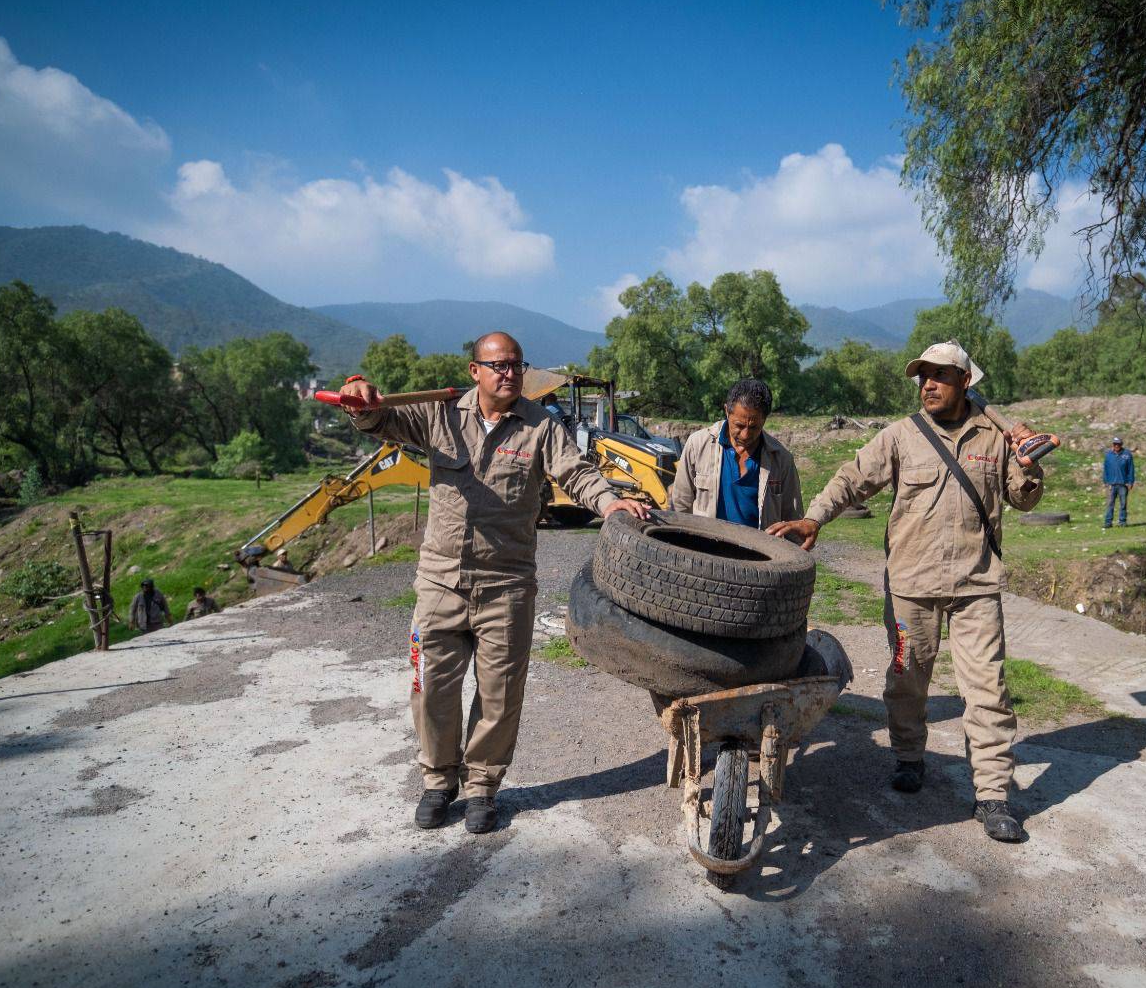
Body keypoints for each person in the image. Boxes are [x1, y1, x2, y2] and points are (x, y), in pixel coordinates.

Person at [340, 332, 650, 835]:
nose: (508, 373)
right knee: (432, 688)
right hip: (440, 582)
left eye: (516, 365)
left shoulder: (540, 427)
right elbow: (382, 421)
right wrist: (361, 403)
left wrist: (610, 502)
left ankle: (482, 785)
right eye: (498, 365)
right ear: (475, 371)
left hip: (505, 585)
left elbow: (576, 472)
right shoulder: (440, 414)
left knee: (500, 692)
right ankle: (438, 781)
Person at [768, 341, 1046, 843]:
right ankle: (909, 757)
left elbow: (1023, 499)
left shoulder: (995, 435)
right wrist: (815, 517)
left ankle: (993, 795)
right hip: (910, 586)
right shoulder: (900, 436)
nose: (928, 385)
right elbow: (852, 479)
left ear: (965, 381)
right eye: (923, 376)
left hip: (975, 585)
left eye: (939, 375)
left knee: (988, 690)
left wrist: (1029, 463)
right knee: (907, 681)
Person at [668, 378, 804, 528]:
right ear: (727, 411)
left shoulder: (781, 459)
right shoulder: (698, 445)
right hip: (705, 548)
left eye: (753, 427)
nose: (745, 435)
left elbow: (793, 520)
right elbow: (680, 504)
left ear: (764, 420)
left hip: (757, 550)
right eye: (739, 425)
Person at [1102, 436, 1135, 529]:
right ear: (1112, 444)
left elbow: (1131, 469)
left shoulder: (1127, 454)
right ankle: (1108, 522)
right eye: (1115, 444)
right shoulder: (1108, 455)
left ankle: (1122, 522)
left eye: (1118, 444)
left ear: (1121, 445)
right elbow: (1105, 469)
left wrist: (1130, 482)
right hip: (1111, 484)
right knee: (1110, 504)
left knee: (1123, 504)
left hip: (1123, 484)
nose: (1116, 445)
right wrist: (1105, 481)